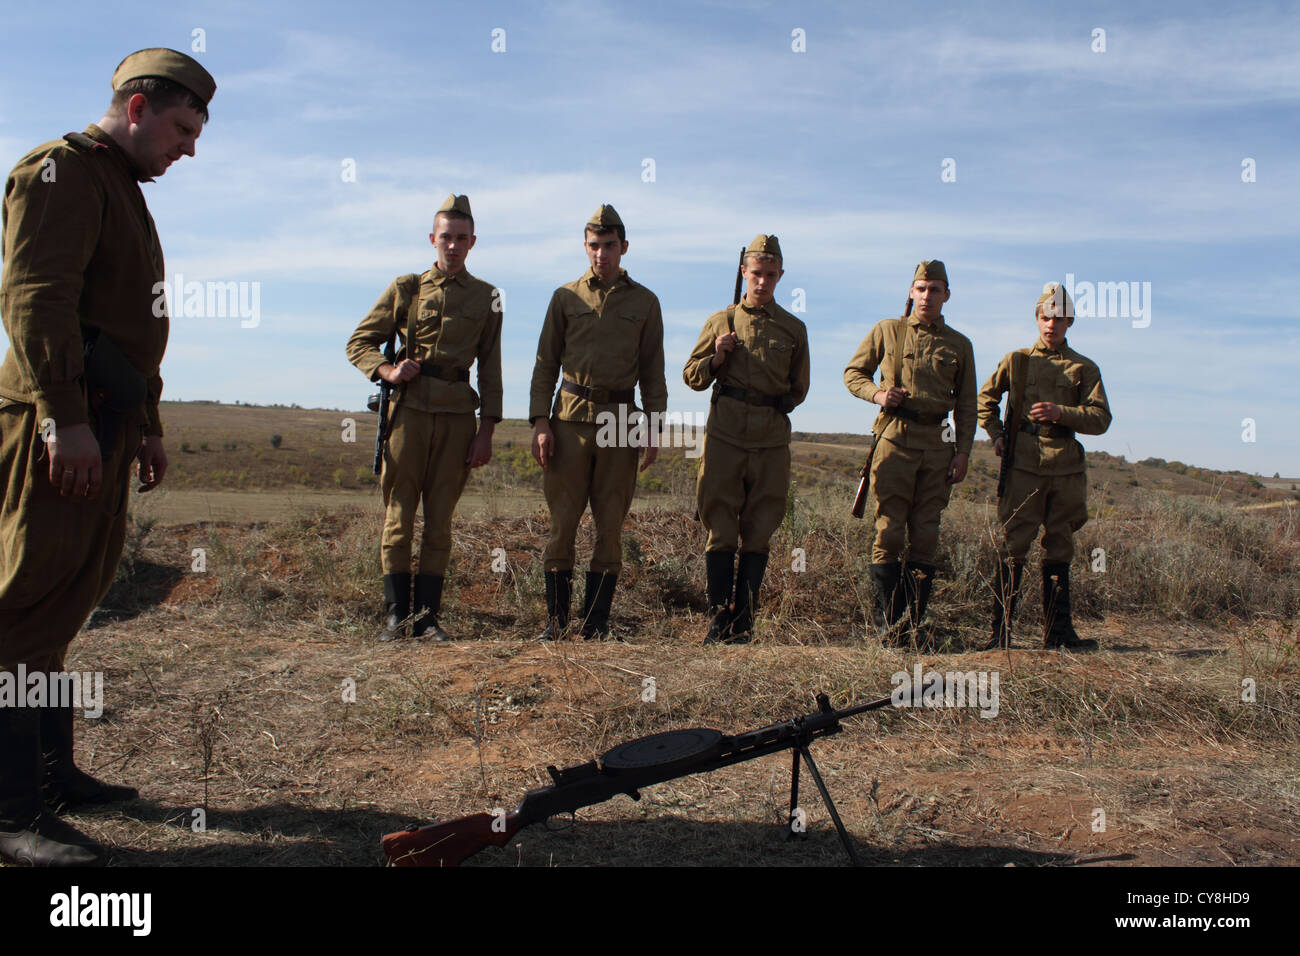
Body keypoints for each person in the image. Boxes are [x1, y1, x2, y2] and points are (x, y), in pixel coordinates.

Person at [0, 48, 215, 865]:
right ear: (136, 107)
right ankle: (11, 812)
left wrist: (150, 425)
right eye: (182, 128)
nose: (188, 148)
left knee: (60, 608)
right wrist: (62, 420)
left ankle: (56, 779)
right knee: (20, 612)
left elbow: (129, 330)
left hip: (105, 422)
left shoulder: (117, 187)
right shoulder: (60, 173)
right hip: (59, 427)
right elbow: (34, 299)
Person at [347, 194, 502, 642]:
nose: (452, 246)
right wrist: (389, 371)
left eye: (460, 238)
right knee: (399, 515)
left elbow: (490, 367)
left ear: (472, 242)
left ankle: (428, 619)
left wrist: (486, 430)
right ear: (432, 239)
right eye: (445, 237)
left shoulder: (488, 297)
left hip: (457, 418)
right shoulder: (407, 288)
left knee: (440, 521)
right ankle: (396, 617)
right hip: (408, 414)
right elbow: (360, 341)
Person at [530, 204, 666, 640]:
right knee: (563, 523)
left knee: (610, 526)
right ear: (585, 248)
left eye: (609, 246)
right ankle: (556, 622)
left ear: (623, 247)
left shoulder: (645, 302)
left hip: (622, 420)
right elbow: (545, 363)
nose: (601, 254)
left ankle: (596, 625)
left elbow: (652, 369)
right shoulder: (564, 297)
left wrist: (655, 425)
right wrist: (539, 422)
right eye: (594, 246)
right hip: (569, 419)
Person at [844, 261, 976, 647]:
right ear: (911, 292)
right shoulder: (888, 330)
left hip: (938, 446)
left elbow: (966, 406)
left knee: (926, 535)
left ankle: (913, 627)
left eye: (935, 289)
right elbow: (854, 373)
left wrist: (963, 452)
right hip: (894, 440)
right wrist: (879, 394)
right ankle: (890, 629)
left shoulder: (959, 344)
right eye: (921, 288)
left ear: (946, 295)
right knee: (888, 531)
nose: (927, 296)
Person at [683, 235, 808, 644]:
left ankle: (745, 625)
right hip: (725, 436)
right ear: (744, 272)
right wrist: (718, 356)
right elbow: (692, 376)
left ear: (780, 276)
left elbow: (799, 388)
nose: (763, 282)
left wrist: (768, 407)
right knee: (720, 525)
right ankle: (719, 619)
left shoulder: (793, 328)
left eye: (771, 275)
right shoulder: (722, 321)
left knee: (759, 529)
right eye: (756, 274)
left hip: (770, 441)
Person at [977, 283, 1111, 651]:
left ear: (1069, 321)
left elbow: (1101, 419)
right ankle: (999, 635)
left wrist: (1060, 412)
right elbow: (985, 398)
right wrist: (997, 434)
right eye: (1044, 316)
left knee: (1060, 546)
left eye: (1058, 317)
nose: (1050, 323)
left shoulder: (1084, 367)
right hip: (1022, 464)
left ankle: (1058, 634)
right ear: (1037, 319)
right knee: (1012, 545)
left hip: (1065, 467)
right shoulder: (1017, 360)